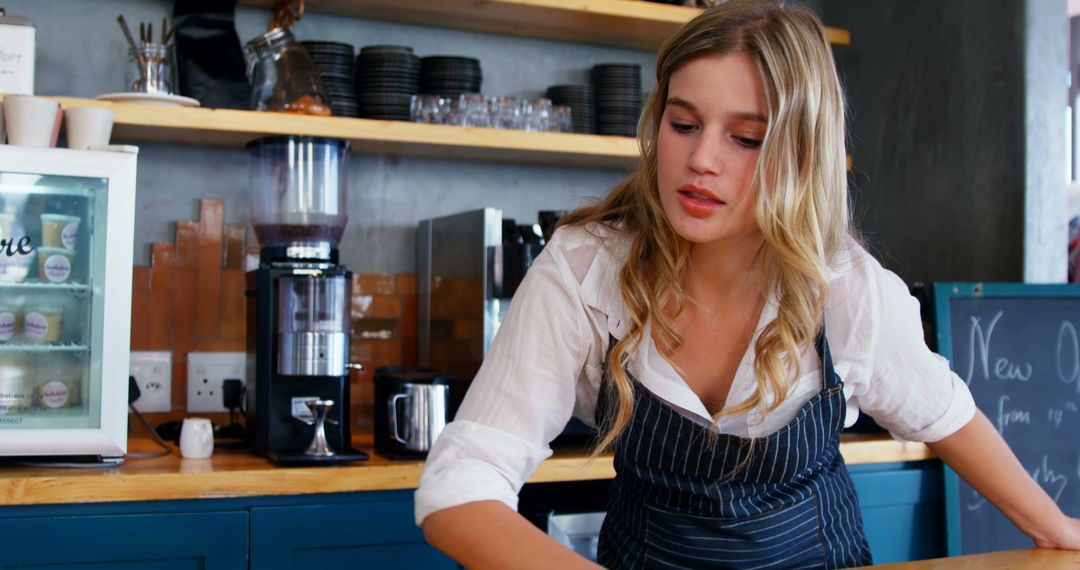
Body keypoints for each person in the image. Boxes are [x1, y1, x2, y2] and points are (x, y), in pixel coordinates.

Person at [415, 1, 1080, 568]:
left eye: (746, 138)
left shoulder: (844, 288)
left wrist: (1059, 531)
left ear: (801, 152)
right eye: (683, 125)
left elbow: (944, 411)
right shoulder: (587, 271)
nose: (701, 160)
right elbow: (459, 484)